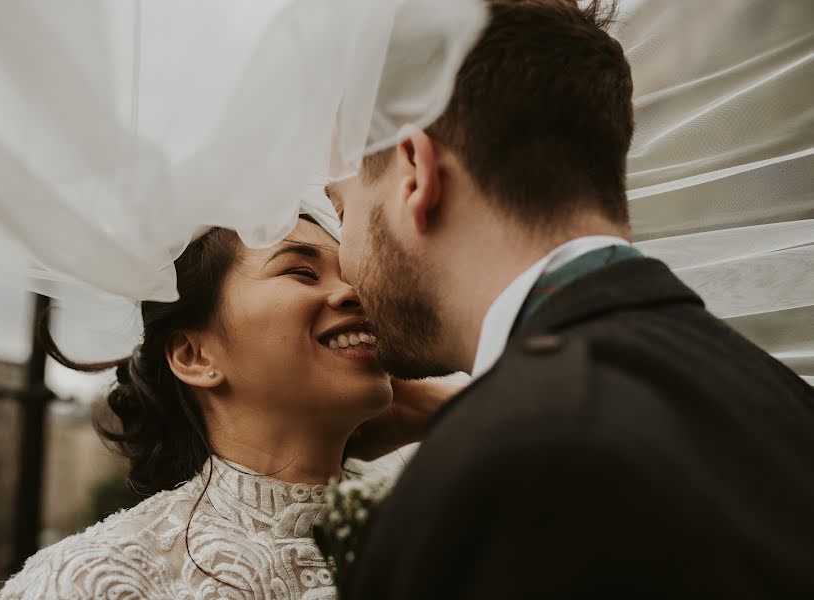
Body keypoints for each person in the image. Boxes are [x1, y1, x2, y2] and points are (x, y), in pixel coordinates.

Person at [326, 0, 814, 597]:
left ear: (416, 173)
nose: (342, 270)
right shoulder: (779, 395)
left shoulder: (502, 469)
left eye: (343, 211)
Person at [0, 215, 451, 600]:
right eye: (302, 272)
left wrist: (443, 410)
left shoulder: (440, 530)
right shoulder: (93, 581)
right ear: (196, 357)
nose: (357, 295)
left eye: (353, 276)